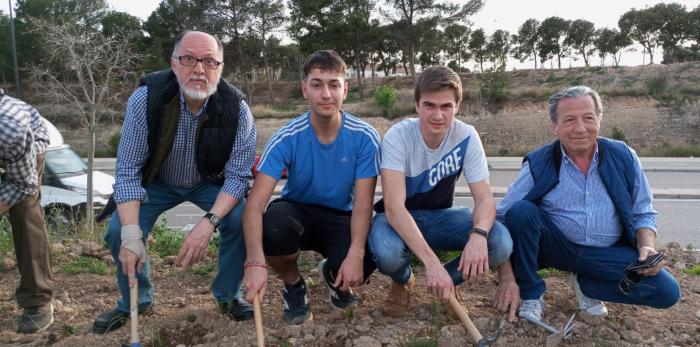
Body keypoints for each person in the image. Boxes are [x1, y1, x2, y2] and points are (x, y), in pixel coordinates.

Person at [92, 31, 257, 334]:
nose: (198, 69)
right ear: (173, 63)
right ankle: (137, 302)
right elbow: (128, 172)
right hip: (156, 182)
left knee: (239, 219)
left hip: (208, 182)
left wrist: (207, 223)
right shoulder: (146, 99)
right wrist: (131, 235)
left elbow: (237, 177)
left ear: (220, 68)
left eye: (209, 62)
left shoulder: (238, 110)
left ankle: (228, 296)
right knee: (119, 230)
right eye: (189, 59)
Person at [496, 85, 681, 323]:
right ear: (556, 126)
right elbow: (502, 217)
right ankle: (531, 293)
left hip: (607, 252)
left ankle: (588, 285)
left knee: (666, 292)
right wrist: (507, 277)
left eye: (588, 118)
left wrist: (646, 246)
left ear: (599, 120)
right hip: (557, 249)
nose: (580, 128)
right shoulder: (538, 162)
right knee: (521, 212)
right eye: (570, 120)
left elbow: (642, 212)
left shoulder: (624, 156)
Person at [368, 66, 520, 321]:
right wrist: (432, 264)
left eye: (446, 106)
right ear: (417, 105)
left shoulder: (467, 136)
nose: (437, 115)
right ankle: (404, 280)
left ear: (457, 106)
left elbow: (484, 199)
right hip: (398, 219)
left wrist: (479, 235)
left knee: (500, 242)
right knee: (388, 254)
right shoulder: (398, 136)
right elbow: (394, 207)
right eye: (429, 105)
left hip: (441, 216)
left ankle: (448, 281)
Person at [241, 50, 379, 325]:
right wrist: (255, 262)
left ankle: (332, 273)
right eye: (317, 84)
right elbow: (254, 206)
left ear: (345, 89)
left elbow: (363, 204)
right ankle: (294, 285)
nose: (326, 94)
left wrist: (356, 254)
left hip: (342, 214)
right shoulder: (286, 137)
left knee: (367, 256)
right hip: (297, 210)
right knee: (273, 230)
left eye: (334, 84)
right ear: (305, 89)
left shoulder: (365, 137)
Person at [0, 89, 54, 333]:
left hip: (26, 149)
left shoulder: (10, 131)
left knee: (25, 213)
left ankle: (38, 299)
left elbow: (24, 184)